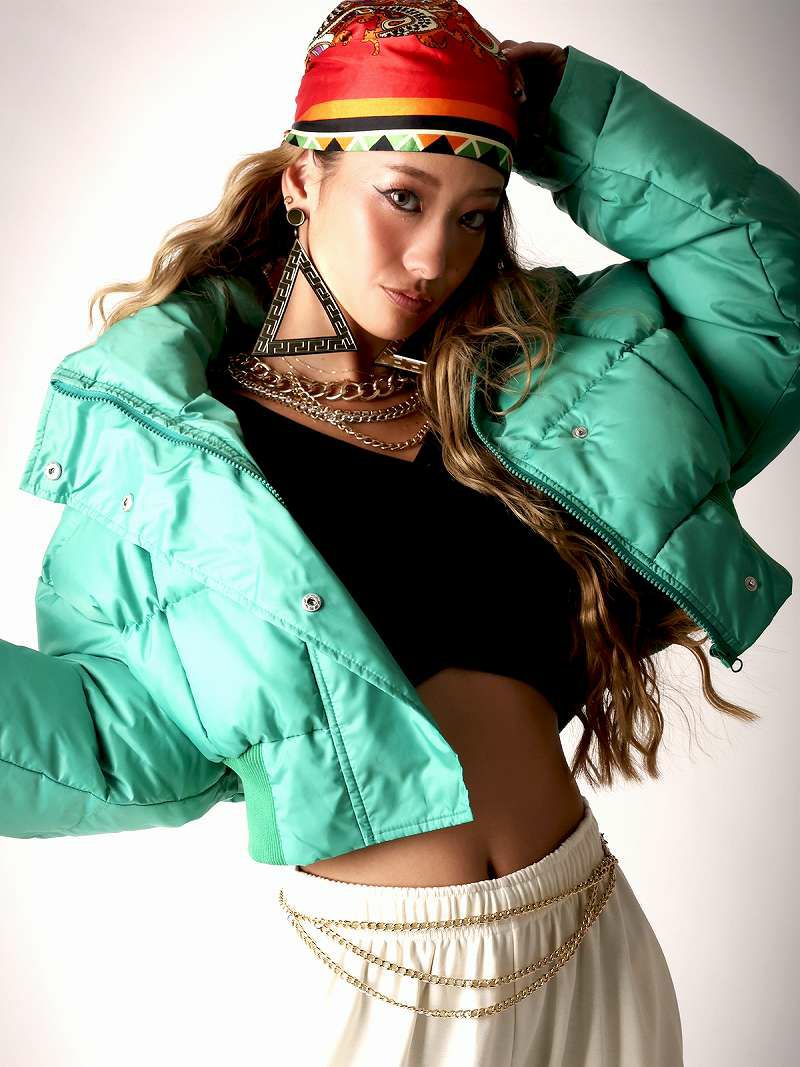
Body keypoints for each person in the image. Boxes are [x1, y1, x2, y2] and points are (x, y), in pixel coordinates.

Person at [5, 1, 798, 1063]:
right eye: (402, 195)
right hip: (374, 981)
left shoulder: (544, 392)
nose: (432, 255)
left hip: (587, 945)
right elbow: (116, 737)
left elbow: (773, 292)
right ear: (303, 179)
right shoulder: (171, 463)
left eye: (473, 215)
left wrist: (569, 111)